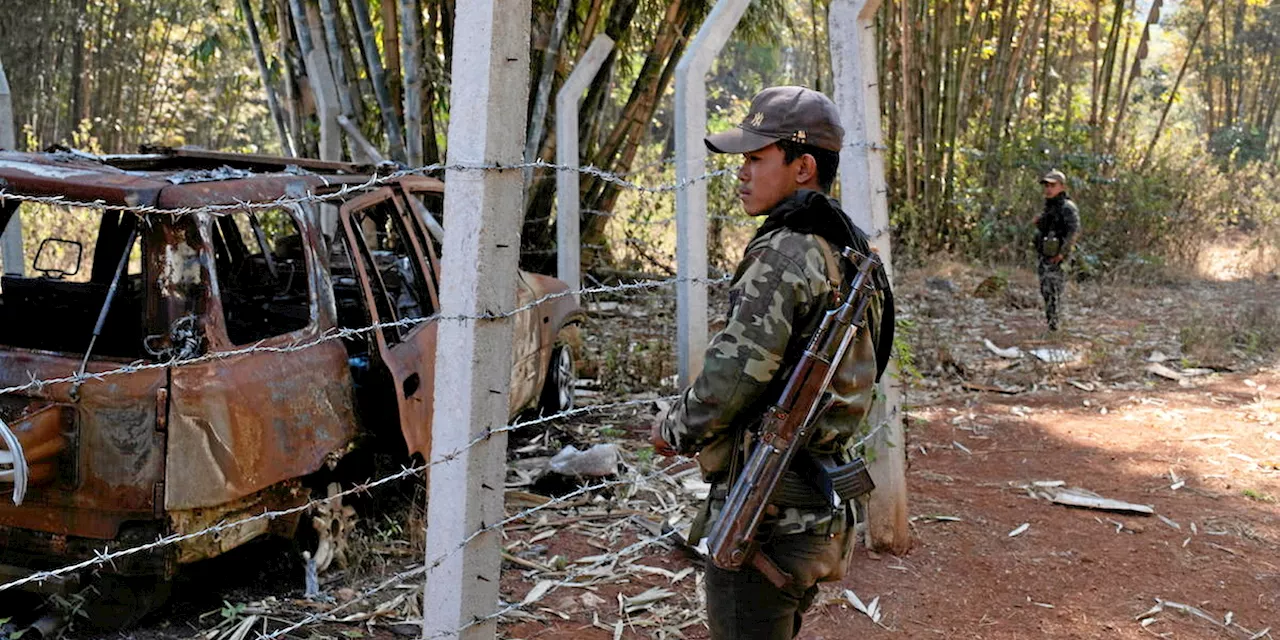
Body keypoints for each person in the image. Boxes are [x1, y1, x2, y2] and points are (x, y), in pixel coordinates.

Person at [650, 86, 894, 640]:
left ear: (803, 167)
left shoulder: (785, 253)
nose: (741, 172)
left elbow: (731, 379)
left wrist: (674, 430)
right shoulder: (850, 250)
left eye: (757, 158)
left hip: (766, 512)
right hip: (815, 506)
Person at [1032, 169, 1081, 332]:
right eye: (1046, 185)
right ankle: (1052, 324)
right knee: (1046, 290)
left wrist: (1062, 254)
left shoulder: (1067, 207)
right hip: (1045, 255)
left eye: (1052, 185)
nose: (1048, 189)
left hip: (1058, 258)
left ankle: (1055, 326)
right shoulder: (1049, 207)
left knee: (1054, 291)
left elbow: (1073, 232)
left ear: (1061, 186)